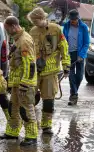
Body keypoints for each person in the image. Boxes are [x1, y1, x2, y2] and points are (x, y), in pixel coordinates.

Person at [27, 7, 71, 135]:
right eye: (33, 22)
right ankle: (31, 123)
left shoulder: (56, 29)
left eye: (36, 21)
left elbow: (64, 48)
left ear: (42, 18)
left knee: (48, 100)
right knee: (29, 98)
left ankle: (46, 126)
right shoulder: (32, 31)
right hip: (35, 71)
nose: (35, 24)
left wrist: (66, 66)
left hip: (51, 72)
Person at [0, 16, 38, 146]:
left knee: (26, 110)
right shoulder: (18, 40)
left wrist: (25, 83)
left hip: (24, 83)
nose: (7, 32)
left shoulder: (24, 40)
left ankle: (31, 136)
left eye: (8, 29)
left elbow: (29, 64)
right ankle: (12, 132)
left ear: (14, 26)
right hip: (16, 83)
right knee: (13, 108)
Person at [63, 9, 90, 106]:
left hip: (79, 55)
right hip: (69, 54)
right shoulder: (66, 26)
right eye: (71, 20)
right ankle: (74, 96)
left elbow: (86, 43)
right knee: (71, 76)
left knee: (79, 76)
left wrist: (81, 55)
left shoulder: (83, 27)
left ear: (78, 18)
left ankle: (73, 94)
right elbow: (63, 41)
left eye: (74, 20)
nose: (72, 21)